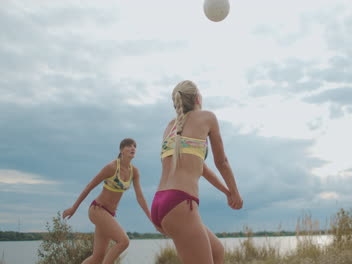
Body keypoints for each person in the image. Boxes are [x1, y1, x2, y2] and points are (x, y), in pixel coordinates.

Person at [151, 80, 243, 264]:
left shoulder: (170, 127)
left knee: (217, 251)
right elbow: (222, 161)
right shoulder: (207, 117)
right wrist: (236, 192)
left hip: (160, 203)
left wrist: (226, 191)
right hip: (180, 202)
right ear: (198, 98)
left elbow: (202, 168)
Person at [62, 138, 152, 264]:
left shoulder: (134, 172)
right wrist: (73, 208)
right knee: (124, 241)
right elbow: (89, 186)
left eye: (134, 146)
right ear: (121, 150)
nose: (132, 148)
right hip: (97, 209)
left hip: (108, 214)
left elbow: (140, 197)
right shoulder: (112, 167)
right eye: (128, 146)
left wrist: (151, 217)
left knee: (98, 257)